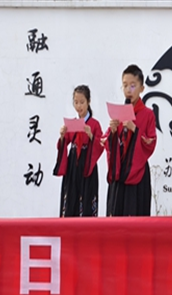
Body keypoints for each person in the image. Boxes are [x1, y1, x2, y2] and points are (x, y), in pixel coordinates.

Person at [105, 64, 157, 216]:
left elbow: (151, 142)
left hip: (138, 173)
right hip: (119, 171)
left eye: (133, 86)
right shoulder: (118, 113)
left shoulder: (148, 114)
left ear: (142, 88)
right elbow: (105, 140)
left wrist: (135, 130)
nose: (128, 90)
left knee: (137, 216)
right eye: (125, 85)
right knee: (116, 217)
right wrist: (113, 131)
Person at [53, 85, 104, 217]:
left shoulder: (94, 124)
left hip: (87, 165)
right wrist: (62, 136)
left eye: (82, 102)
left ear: (88, 102)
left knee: (87, 198)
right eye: (76, 102)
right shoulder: (72, 123)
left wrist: (91, 135)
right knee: (70, 197)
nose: (79, 106)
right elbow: (64, 144)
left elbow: (101, 144)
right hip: (73, 165)